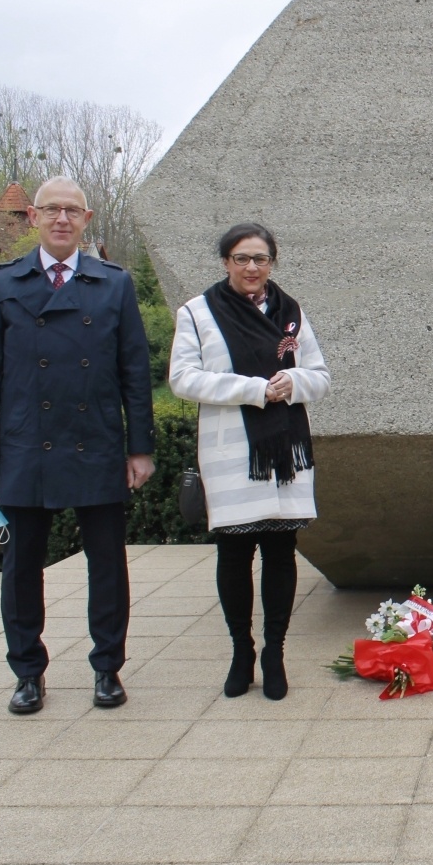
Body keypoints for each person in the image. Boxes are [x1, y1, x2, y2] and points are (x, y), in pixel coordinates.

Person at [0, 177, 156, 715]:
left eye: (73, 211)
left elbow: (134, 373)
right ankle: (28, 672)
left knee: (108, 566)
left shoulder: (113, 283)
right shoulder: (3, 285)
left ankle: (107, 669)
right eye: (52, 210)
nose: (62, 219)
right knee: (22, 568)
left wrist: (139, 447)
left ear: (88, 220)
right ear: (32, 217)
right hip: (27, 444)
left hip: (96, 441)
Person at [168, 223, 330, 699]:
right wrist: (254, 389)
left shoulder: (291, 312)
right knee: (235, 555)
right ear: (225, 262)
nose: (252, 268)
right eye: (242, 259)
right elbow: (183, 378)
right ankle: (242, 650)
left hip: (285, 452)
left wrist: (292, 384)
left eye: (260, 259)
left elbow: (319, 376)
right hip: (230, 450)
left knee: (280, 553)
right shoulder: (197, 313)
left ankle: (275, 653)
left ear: (272, 263)